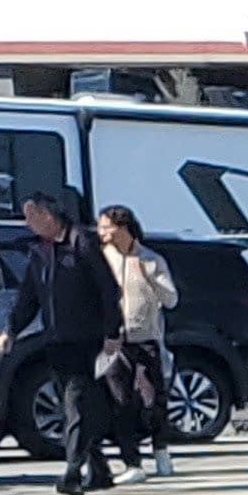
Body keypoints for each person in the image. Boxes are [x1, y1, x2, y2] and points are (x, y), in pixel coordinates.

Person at [8, 192, 120, 495]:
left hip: (86, 339)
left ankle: (72, 472)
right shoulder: (40, 252)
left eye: (31, 217)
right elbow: (29, 297)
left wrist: (112, 333)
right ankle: (99, 469)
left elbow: (108, 290)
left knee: (76, 404)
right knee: (73, 406)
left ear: (47, 215)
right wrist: (11, 331)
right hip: (56, 341)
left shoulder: (81, 242)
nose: (27, 224)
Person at [97, 204, 179, 480]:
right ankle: (132, 463)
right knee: (120, 401)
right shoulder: (101, 258)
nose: (101, 232)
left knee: (152, 400)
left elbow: (171, 299)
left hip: (145, 339)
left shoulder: (151, 259)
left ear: (122, 228)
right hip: (114, 341)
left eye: (106, 227)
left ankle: (161, 450)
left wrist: (149, 276)